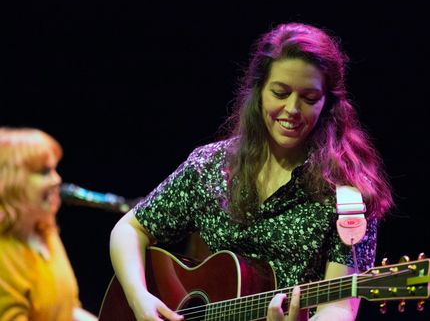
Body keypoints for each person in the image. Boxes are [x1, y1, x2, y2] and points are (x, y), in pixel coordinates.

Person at [109, 22, 393, 321]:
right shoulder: (210, 166)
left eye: (309, 98)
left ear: (328, 104)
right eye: (280, 93)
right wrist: (139, 297)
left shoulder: (346, 195)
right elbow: (130, 229)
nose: (293, 109)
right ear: (258, 92)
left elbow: (339, 307)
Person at [0, 127, 97, 321]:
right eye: (44, 172)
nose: (57, 180)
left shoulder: (45, 232)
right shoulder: (4, 255)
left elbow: (69, 311)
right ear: (10, 181)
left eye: (54, 169)